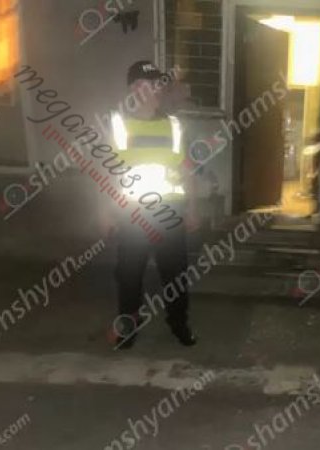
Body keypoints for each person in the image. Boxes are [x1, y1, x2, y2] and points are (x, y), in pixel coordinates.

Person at [105, 60, 199, 349]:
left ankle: (179, 323)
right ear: (134, 88)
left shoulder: (174, 125)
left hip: (170, 211)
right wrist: (106, 212)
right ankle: (128, 328)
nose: (155, 90)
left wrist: (193, 208)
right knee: (129, 274)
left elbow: (186, 169)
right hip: (132, 213)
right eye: (147, 84)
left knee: (175, 274)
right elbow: (107, 172)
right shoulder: (118, 124)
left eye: (158, 84)